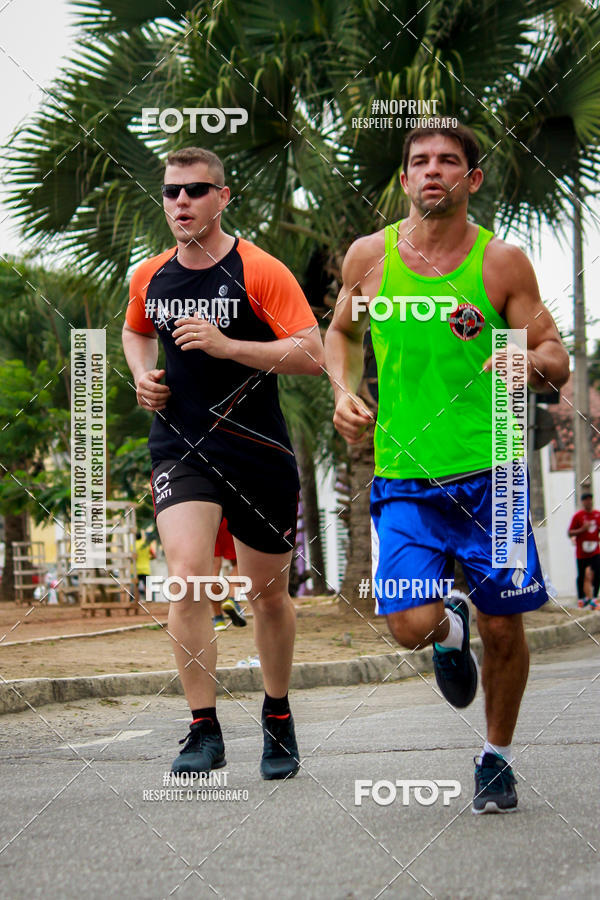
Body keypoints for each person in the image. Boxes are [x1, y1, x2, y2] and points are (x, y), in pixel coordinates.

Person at [325, 122, 570, 814]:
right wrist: (344, 390)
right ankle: (447, 631)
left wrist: (528, 362)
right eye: (420, 162)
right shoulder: (370, 261)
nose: (434, 171)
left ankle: (496, 758)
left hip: (494, 469)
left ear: (472, 180)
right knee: (409, 623)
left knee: (505, 625)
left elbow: (556, 356)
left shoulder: (502, 264)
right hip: (406, 473)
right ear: (404, 181)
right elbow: (340, 333)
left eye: (449, 162)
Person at [122, 146, 324, 779]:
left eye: (195, 191)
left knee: (267, 597)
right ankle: (203, 729)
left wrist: (227, 344)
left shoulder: (258, 270)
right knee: (186, 576)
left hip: (256, 451)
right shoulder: (149, 276)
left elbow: (312, 352)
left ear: (223, 197)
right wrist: (140, 378)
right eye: (171, 192)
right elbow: (133, 330)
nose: (180, 202)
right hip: (180, 446)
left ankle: (278, 714)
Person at [211, 517, 247, 630]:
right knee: (240, 562)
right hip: (228, 519)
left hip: (208, 522)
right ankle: (232, 599)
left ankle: (218, 619)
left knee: (212, 573)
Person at [567, 492, 600, 609]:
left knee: (597, 572)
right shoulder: (578, 516)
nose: (588, 502)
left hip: (595, 550)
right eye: (586, 500)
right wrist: (582, 529)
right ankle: (581, 598)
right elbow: (570, 532)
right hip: (582, 551)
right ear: (583, 502)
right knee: (581, 575)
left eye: (590, 500)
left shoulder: (597, 515)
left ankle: (594, 598)